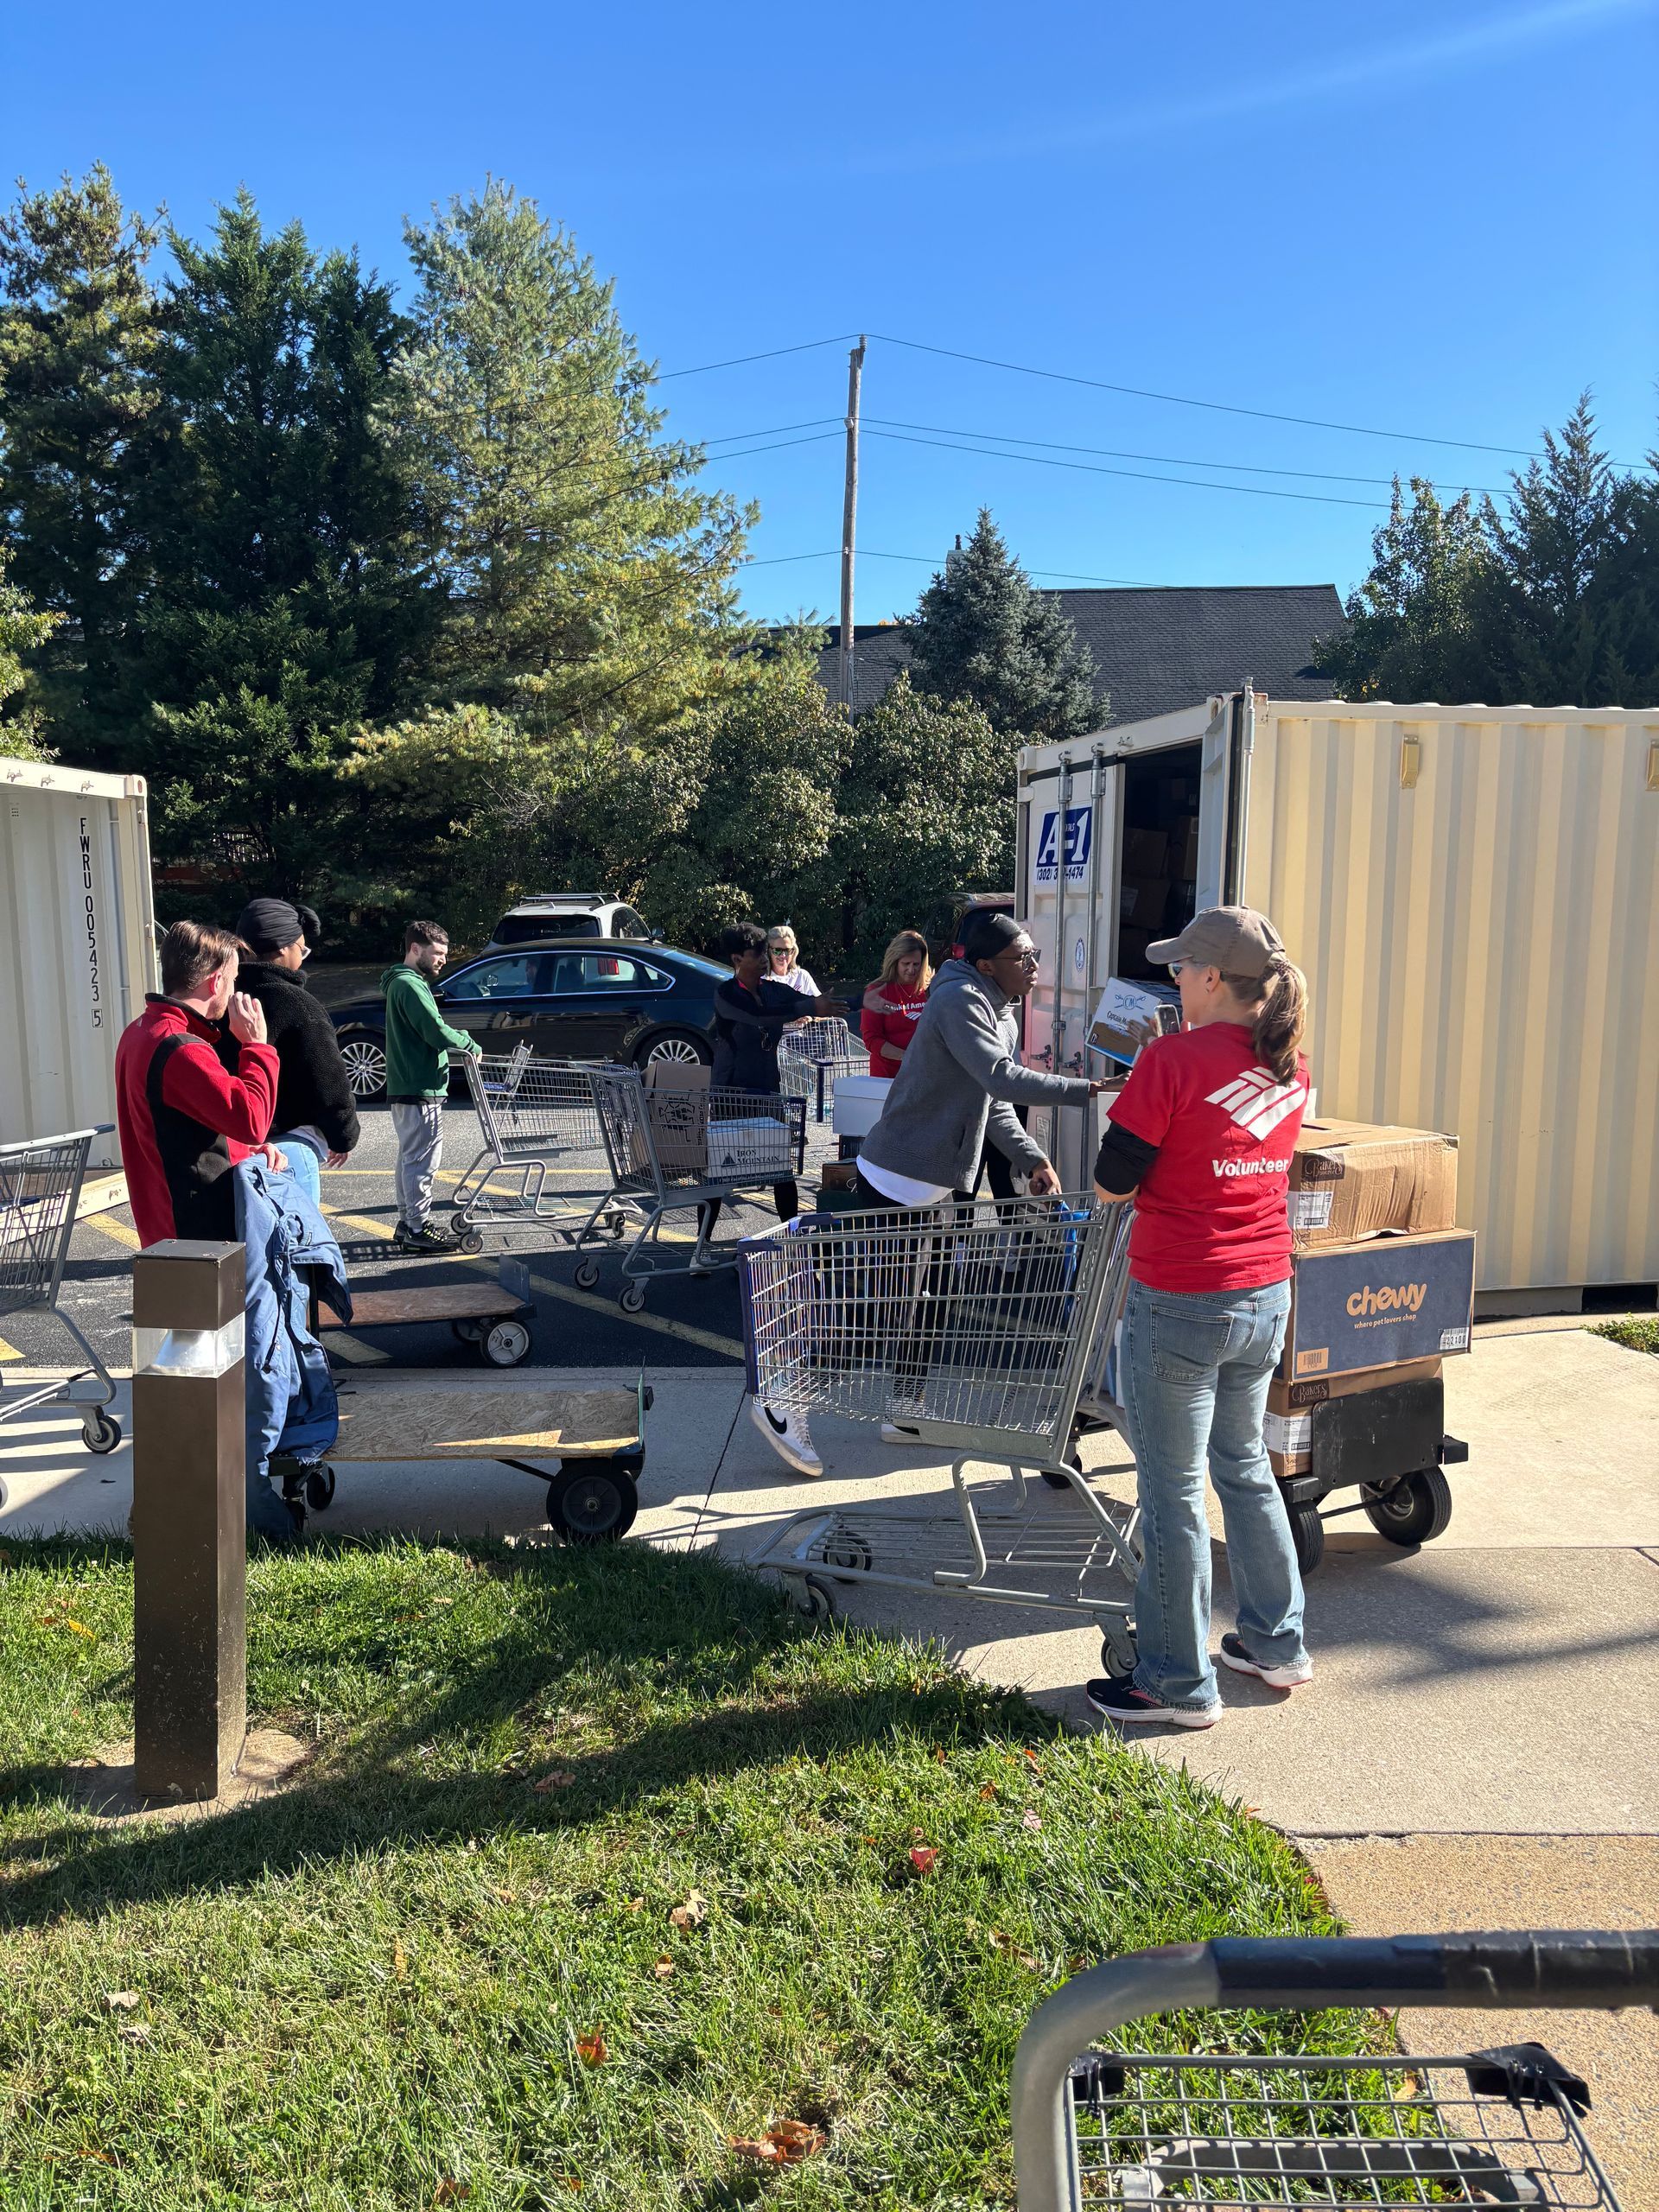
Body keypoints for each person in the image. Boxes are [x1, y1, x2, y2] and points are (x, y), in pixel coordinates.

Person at [748, 909, 1108, 1477]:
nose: (1035, 965)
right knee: (878, 1315)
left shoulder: (1001, 1011)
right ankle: (785, 1395)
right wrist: (1090, 1090)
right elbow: (1002, 1079)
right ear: (987, 964)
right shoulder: (958, 1001)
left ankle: (906, 1408)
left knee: (935, 1305)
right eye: (1023, 957)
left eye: (1035, 954)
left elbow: (989, 1104)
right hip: (896, 1174)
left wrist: (1031, 1157)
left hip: (943, 1182)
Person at [1087, 905, 1313, 1732]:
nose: (1173, 977)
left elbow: (1114, 1182)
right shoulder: (1290, 1063)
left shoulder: (1169, 1061)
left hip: (1181, 1298)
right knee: (1245, 1466)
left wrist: (1141, 1082)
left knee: (1173, 1492)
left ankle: (1176, 1685)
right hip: (1264, 1295)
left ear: (1213, 977)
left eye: (1182, 967)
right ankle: (1275, 1643)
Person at [115, 919, 283, 1248]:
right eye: (233, 980)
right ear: (216, 981)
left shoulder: (141, 1030)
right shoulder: (182, 1049)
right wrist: (257, 1046)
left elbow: (181, 1127)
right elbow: (252, 1122)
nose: (234, 990)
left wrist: (246, 1152)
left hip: (168, 1226)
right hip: (194, 1232)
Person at [702, 923, 841, 1299]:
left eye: (767, 952)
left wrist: (868, 999)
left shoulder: (769, 988)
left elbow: (796, 1001)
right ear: (736, 959)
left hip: (767, 1092)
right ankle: (701, 1246)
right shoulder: (726, 994)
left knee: (781, 1171)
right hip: (731, 1095)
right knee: (720, 1174)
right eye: (758, 954)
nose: (766, 959)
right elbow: (759, 1018)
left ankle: (794, 1248)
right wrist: (811, 1006)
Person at [232, 896, 360, 1206]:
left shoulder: (225, 999)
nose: (303, 957)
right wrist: (343, 1135)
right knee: (299, 1247)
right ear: (282, 949)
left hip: (234, 1147)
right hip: (290, 1148)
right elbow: (329, 1081)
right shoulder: (299, 1005)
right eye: (301, 949)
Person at [381, 919, 482, 1252]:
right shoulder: (409, 986)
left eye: (444, 954)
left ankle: (407, 1221)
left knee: (411, 1159)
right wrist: (469, 1042)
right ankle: (418, 1227)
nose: (442, 959)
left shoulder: (405, 983)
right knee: (422, 1162)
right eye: (437, 953)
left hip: (411, 1085)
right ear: (415, 949)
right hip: (419, 1086)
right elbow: (436, 1032)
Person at [858, 930, 931, 1077]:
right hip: (887, 1076)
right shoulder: (878, 991)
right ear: (894, 961)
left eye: (916, 964)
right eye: (906, 964)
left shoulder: (930, 988)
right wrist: (906, 1056)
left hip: (923, 1074)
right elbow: (872, 1039)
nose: (911, 970)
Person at [764, 925, 818, 998]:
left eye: (787, 950)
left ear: (793, 952)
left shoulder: (802, 976)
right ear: (769, 951)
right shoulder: (762, 979)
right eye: (777, 950)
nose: (783, 955)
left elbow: (819, 1003)